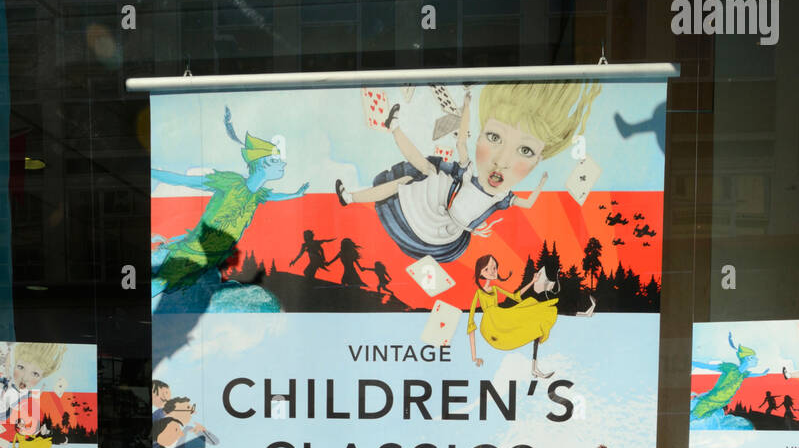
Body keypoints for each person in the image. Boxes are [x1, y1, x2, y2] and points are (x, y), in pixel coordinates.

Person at [335, 80, 600, 263]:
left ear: (539, 159)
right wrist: (467, 106)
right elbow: (461, 141)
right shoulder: (470, 173)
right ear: (481, 134)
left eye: (525, 151)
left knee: (413, 177)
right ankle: (391, 132)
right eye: (495, 137)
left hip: (442, 229)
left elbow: (529, 203)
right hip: (438, 208)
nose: (502, 161)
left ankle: (391, 133)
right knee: (418, 173)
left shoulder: (502, 197)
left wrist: (541, 184)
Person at [151, 111, 308, 299]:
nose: (283, 164)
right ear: (262, 164)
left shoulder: (257, 194)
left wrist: (295, 194)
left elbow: (274, 197)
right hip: (195, 251)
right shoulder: (231, 182)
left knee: (174, 288)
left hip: (212, 257)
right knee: (163, 283)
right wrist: (152, 172)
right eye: (275, 160)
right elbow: (186, 181)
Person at [467, 253, 558, 378]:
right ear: (480, 273)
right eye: (487, 269)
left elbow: (516, 296)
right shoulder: (478, 293)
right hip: (492, 327)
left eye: (494, 268)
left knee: (534, 310)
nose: (492, 272)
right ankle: (534, 368)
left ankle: (534, 367)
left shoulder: (495, 289)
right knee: (532, 312)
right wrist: (474, 357)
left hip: (502, 319)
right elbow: (471, 323)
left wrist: (533, 281)